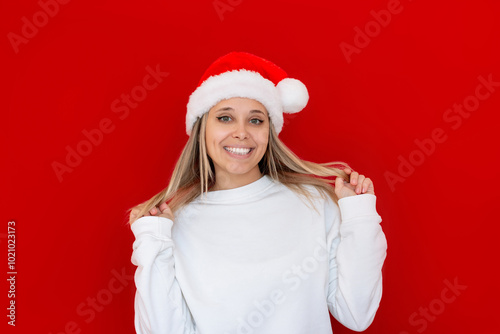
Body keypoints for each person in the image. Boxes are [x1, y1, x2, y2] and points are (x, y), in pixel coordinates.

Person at [127, 51, 388, 334]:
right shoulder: (172, 225)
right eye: (225, 118)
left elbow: (357, 313)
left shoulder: (314, 203)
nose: (241, 133)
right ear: (202, 129)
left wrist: (359, 217)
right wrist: (153, 242)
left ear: (269, 131)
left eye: (255, 120)